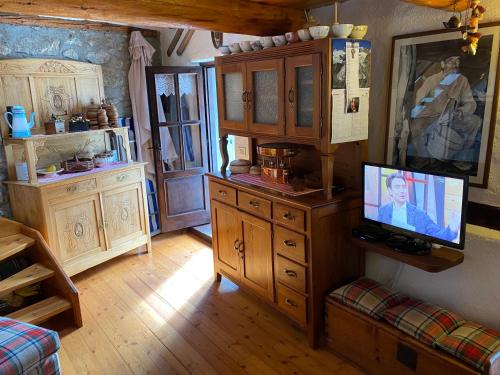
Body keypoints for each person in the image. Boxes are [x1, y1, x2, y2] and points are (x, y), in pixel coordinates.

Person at [408, 55, 481, 170]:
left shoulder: (462, 81)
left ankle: (460, 159)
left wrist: (460, 111)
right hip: (430, 116)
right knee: (416, 126)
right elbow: (419, 103)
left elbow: (471, 103)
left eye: (457, 61)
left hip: (452, 115)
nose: (455, 64)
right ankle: (422, 158)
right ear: (442, 64)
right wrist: (438, 90)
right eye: (451, 61)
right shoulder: (431, 80)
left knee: (475, 121)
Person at [377, 173, 460, 242]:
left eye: (403, 186)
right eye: (397, 187)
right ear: (390, 190)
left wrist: (451, 230)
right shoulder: (383, 211)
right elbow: (379, 231)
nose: (402, 190)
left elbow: (437, 233)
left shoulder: (419, 214)